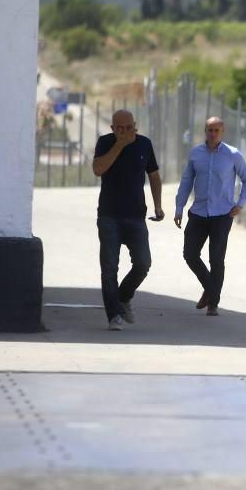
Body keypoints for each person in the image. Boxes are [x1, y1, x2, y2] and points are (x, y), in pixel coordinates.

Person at [92, 109, 164, 331]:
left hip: (135, 216)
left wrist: (158, 206)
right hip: (109, 216)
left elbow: (154, 176)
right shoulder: (105, 143)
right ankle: (113, 315)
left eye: (129, 128)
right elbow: (98, 169)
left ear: (136, 126)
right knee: (109, 268)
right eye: (120, 129)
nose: (125, 132)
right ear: (113, 128)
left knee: (143, 263)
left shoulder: (144, 144)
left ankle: (123, 297)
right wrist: (120, 144)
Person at [174, 117, 246, 316]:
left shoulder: (233, 155)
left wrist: (240, 203)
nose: (213, 133)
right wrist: (179, 207)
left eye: (216, 130)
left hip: (222, 214)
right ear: (205, 131)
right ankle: (211, 289)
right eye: (209, 130)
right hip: (199, 212)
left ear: (223, 131)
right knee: (190, 254)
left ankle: (213, 303)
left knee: (216, 259)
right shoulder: (195, 154)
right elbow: (186, 181)